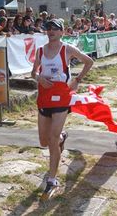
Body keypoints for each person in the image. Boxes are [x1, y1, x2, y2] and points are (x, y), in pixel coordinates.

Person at [31, 18, 93, 201]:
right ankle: (62, 137)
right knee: (44, 141)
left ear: (62, 32)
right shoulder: (40, 51)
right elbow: (33, 72)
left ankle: (52, 179)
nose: (50, 31)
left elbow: (89, 62)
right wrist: (38, 78)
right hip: (44, 97)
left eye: (54, 29)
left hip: (61, 98)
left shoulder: (67, 49)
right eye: (48, 28)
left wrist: (77, 80)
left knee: (51, 139)